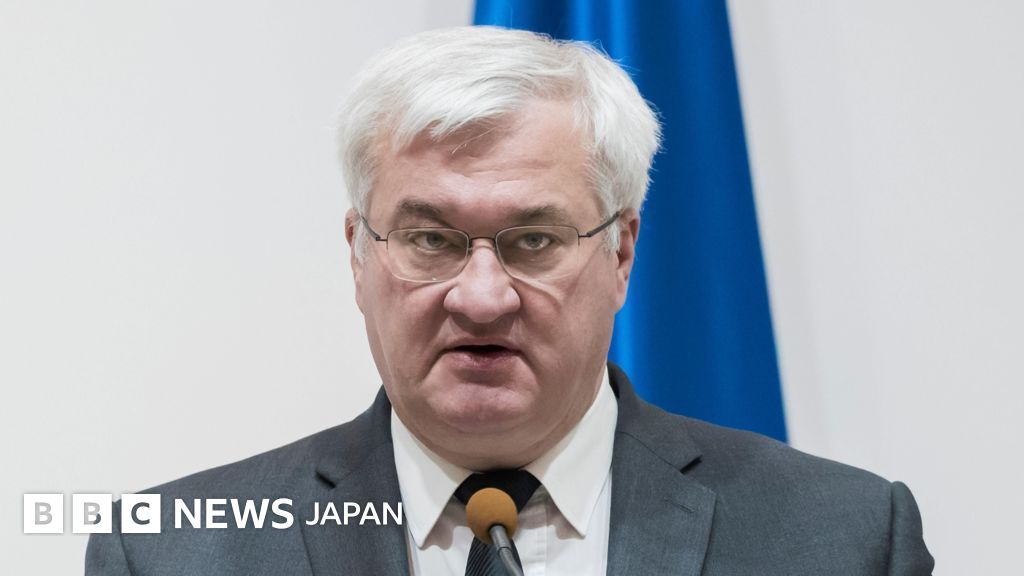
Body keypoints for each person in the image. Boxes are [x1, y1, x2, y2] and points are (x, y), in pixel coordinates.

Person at [85, 26, 934, 575]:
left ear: (621, 253)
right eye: (430, 239)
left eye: (534, 240)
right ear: (358, 254)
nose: (483, 298)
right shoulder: (173, 554)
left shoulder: (843, 539)